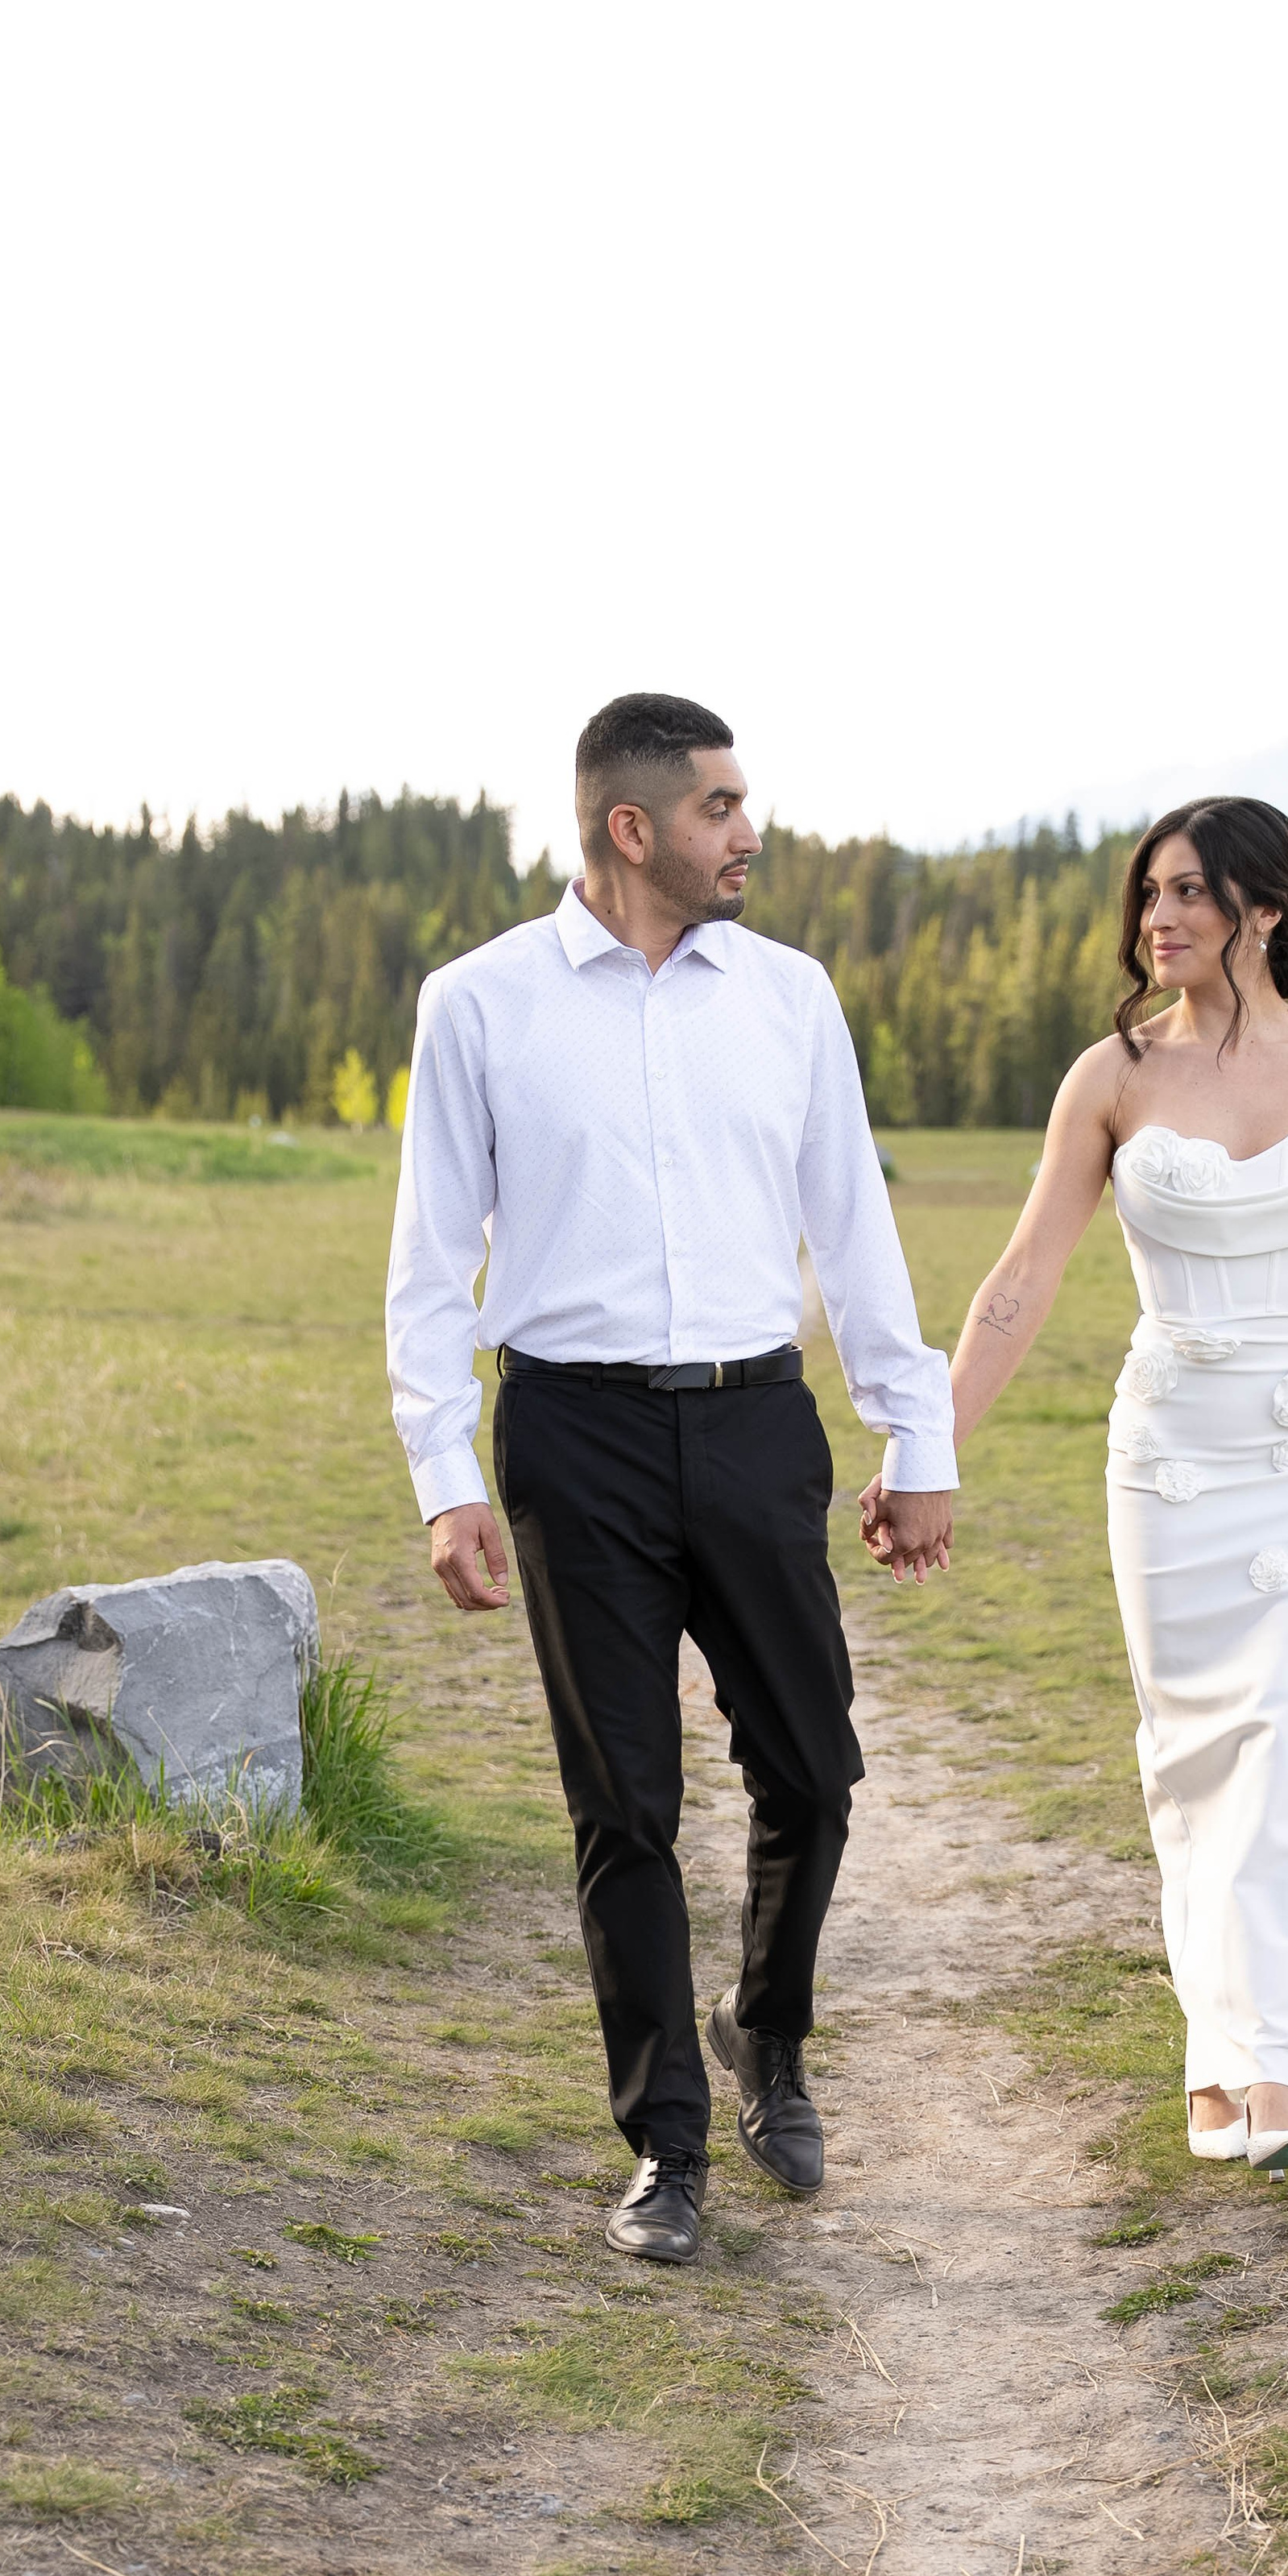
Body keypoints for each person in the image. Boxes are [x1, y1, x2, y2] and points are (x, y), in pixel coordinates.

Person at [387, 694, 956, 2265]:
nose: (748, 832)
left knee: (814, 1772)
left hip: (754, 1420)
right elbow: (430, 1263)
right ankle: (668, 2147)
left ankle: (762, 2031)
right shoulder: (482, 1005)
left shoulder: (787, 999)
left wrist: (921, 1440)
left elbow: (852, 1233)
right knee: (621, 1805)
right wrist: (446, 1472)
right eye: (719, 807)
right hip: (574, 1441)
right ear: (631, 829)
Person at [868, 797, 1288, 2172]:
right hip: (1173, 1455)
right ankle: (1210, 2054)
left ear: (1264, 910)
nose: (1156, 919)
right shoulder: (1109, 1079)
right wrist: (924, 1444)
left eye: (1185, 894)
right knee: (1191, 1756)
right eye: (1148, 897)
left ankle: (1275, 2070)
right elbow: (1022, 1282)